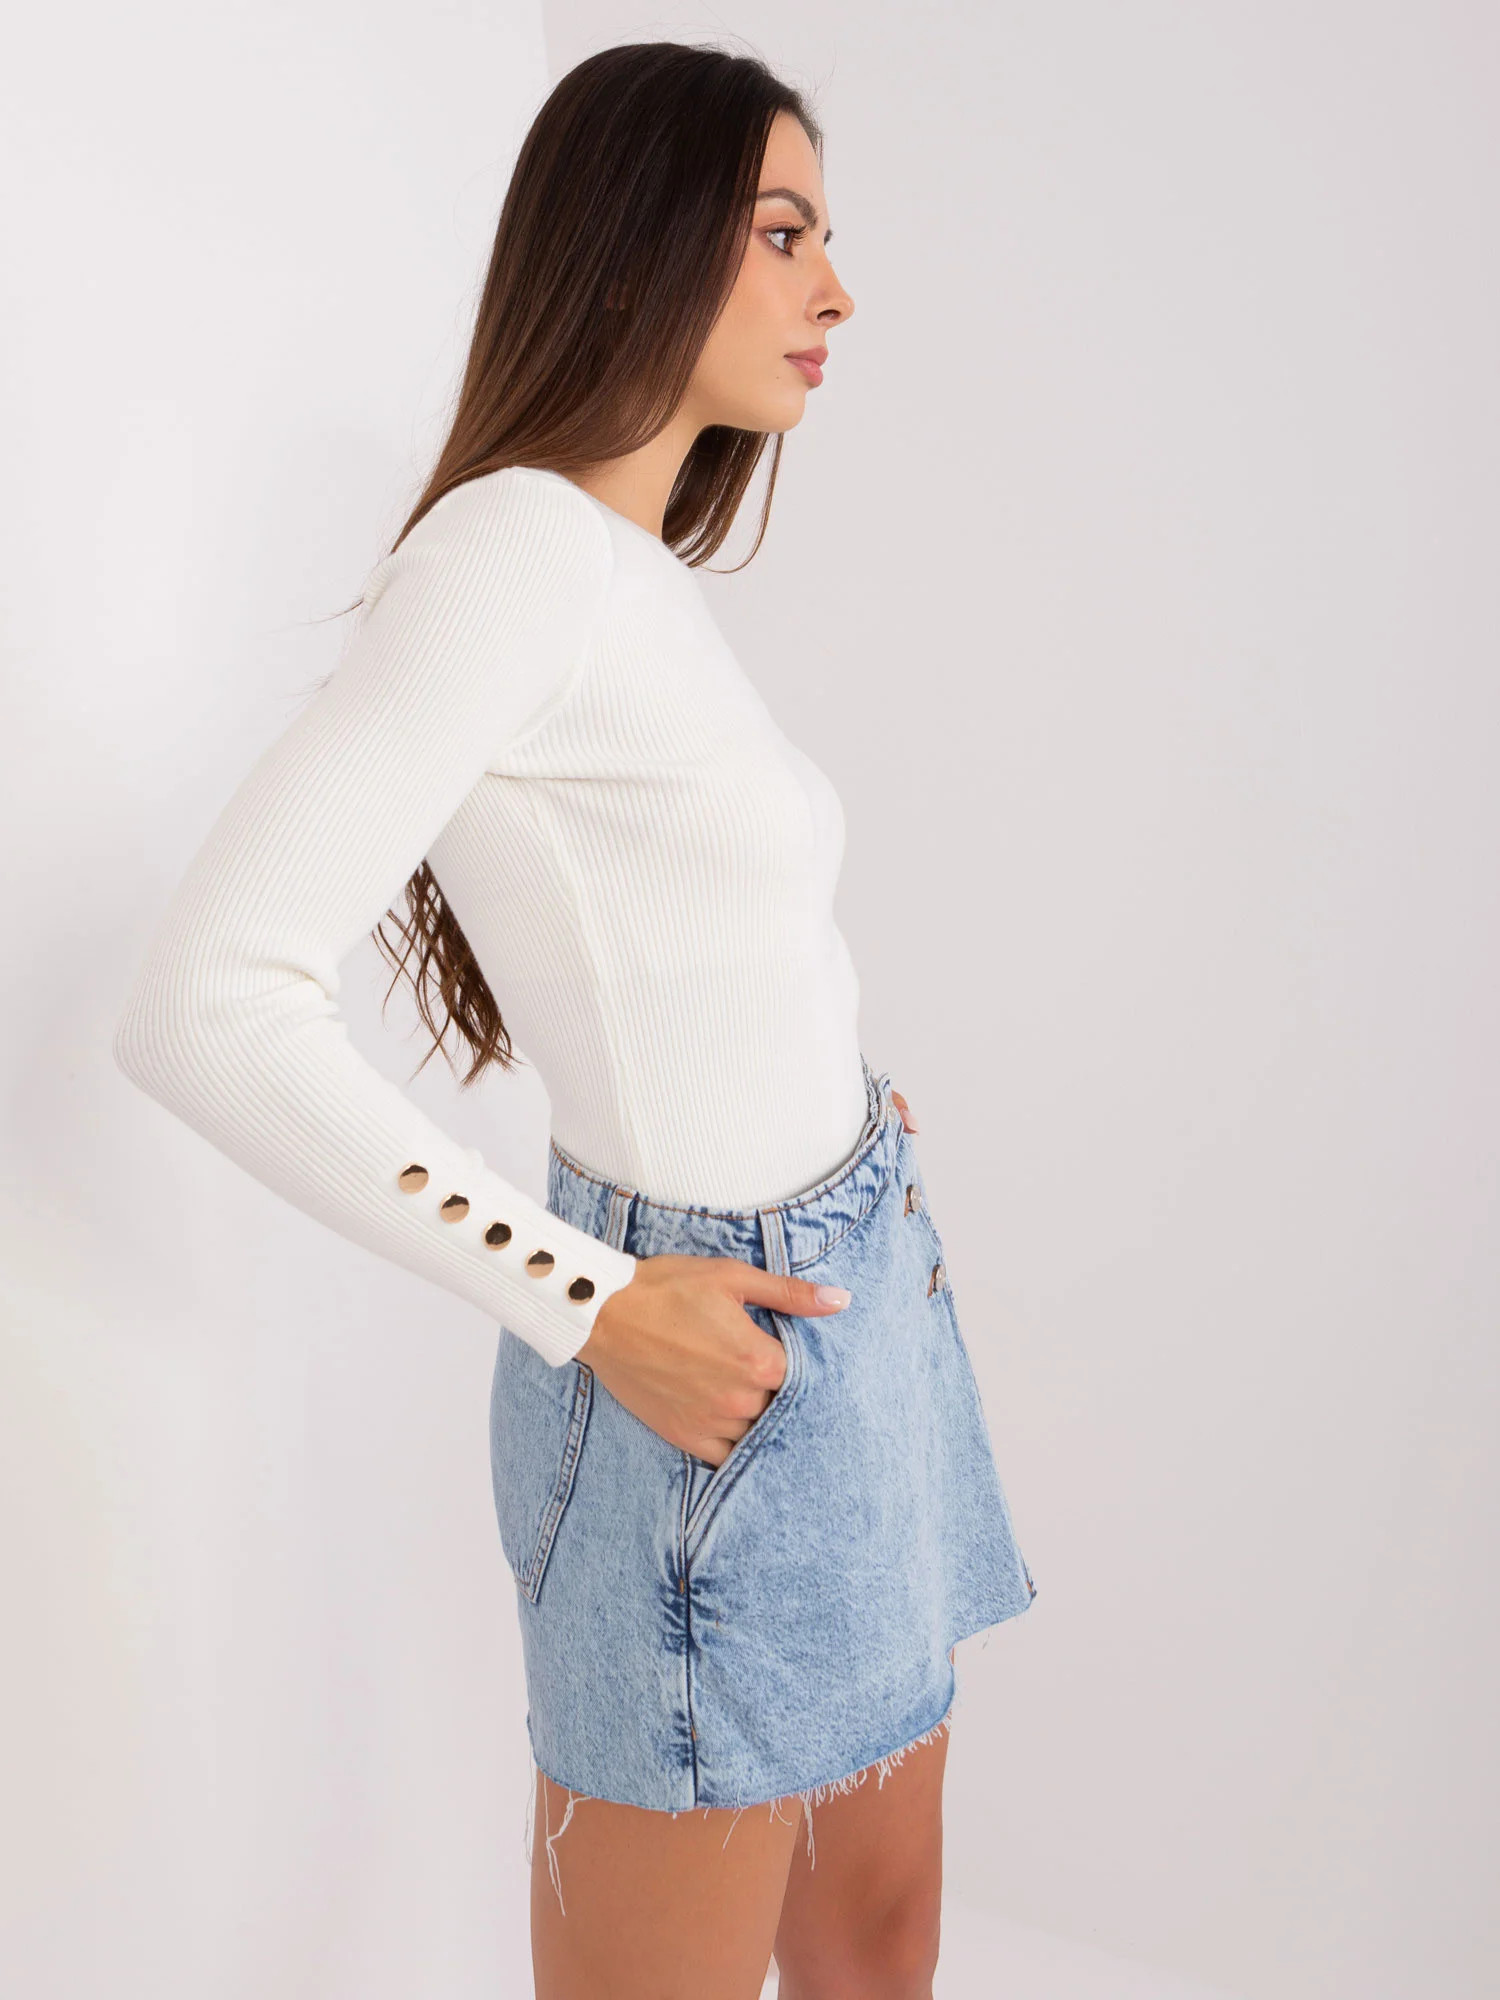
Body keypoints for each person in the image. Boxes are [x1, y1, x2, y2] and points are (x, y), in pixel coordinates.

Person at [112, 40, 1037, 2000]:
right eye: (782, 232)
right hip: (705, 1363)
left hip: (857, 1298)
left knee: (880, 1941)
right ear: (639, 235)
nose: (836, 289)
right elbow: (204, 1003)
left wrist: (841, 1109)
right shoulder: (513, 553)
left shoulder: (625, 571)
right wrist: (588, 1298)